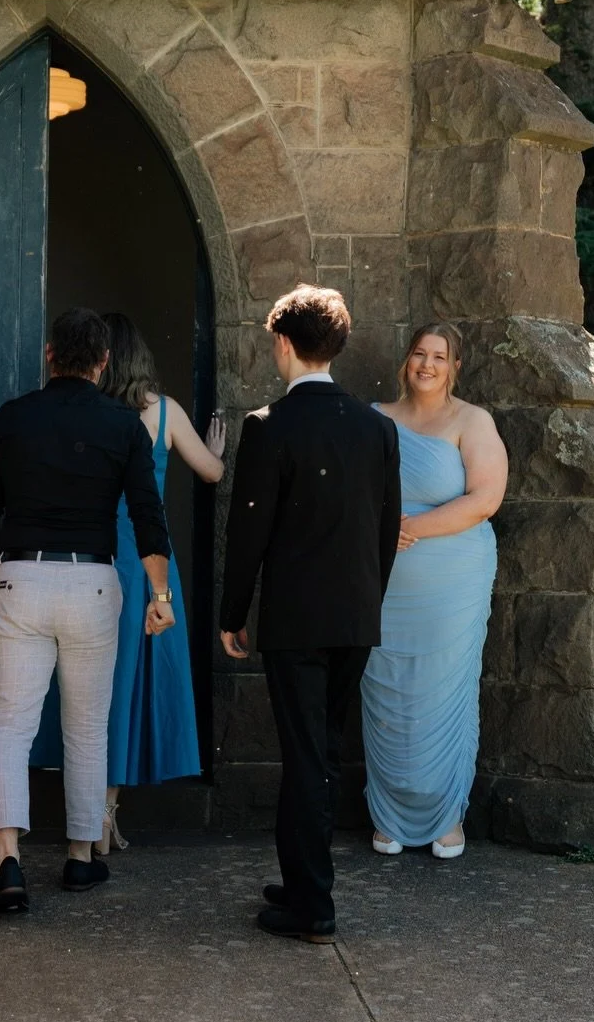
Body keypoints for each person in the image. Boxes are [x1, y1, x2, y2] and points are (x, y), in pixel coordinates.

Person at [0, 306, 176, 916]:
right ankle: (81, 858)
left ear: (50, 355)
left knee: (8, 725)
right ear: (104, 362)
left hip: (20, 578)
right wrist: (160, 598)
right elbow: (148, 519)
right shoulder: (123, 425)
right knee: (87, 727)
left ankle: (7, 860)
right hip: (91, 582)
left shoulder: (11, 418)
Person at [220, 285, 401, 944]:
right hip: (355, 616)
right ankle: (303, 882)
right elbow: (386, 532)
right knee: (320, 751)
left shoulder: (270, 426)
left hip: (296, 621)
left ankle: (313, 905)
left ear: (283, 343)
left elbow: (250, 535)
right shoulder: (377, 429)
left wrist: (232, 612)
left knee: (304, 758)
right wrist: (366, 605)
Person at [30, 311, 226, 852]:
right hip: (147, 567)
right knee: (125, 688)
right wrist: (220, 451)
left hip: (90, 557)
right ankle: (104, 816)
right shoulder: (161, 413)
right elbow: (211, 473)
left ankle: (87, 817)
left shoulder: (84, 416)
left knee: (91, 688)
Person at [364, 322, 507, 859]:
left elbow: (486, 499)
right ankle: (388, 814)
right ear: (406, 360)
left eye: (439, 357)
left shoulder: (473, 421)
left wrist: (410, 529)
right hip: (385, 579)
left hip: (455, 579)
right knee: (387, 686)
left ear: (455, 367)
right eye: (420, 354)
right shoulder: (377, 418)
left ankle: (448, 816)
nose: (427, 364)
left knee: (445, 686)